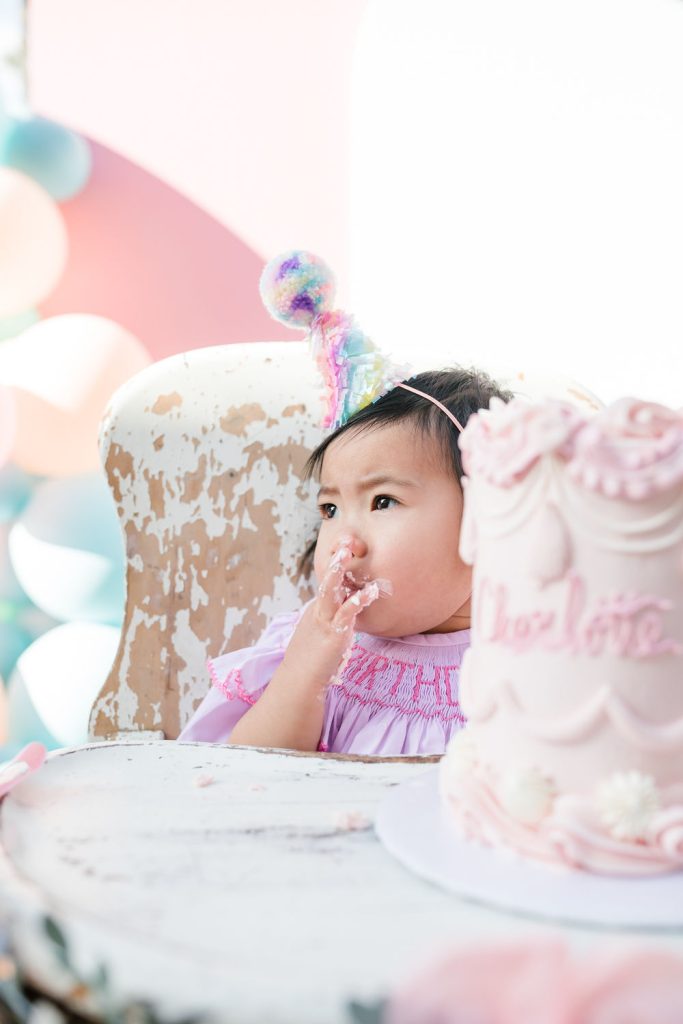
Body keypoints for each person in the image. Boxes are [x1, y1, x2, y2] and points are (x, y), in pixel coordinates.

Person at [178, 252, 512, 755]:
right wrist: (304, 675)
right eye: (330, 510)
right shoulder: (316, 648)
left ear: (487, 514)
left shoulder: (535, 656)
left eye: (382, 500)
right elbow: (242, 769)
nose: (343, 542)